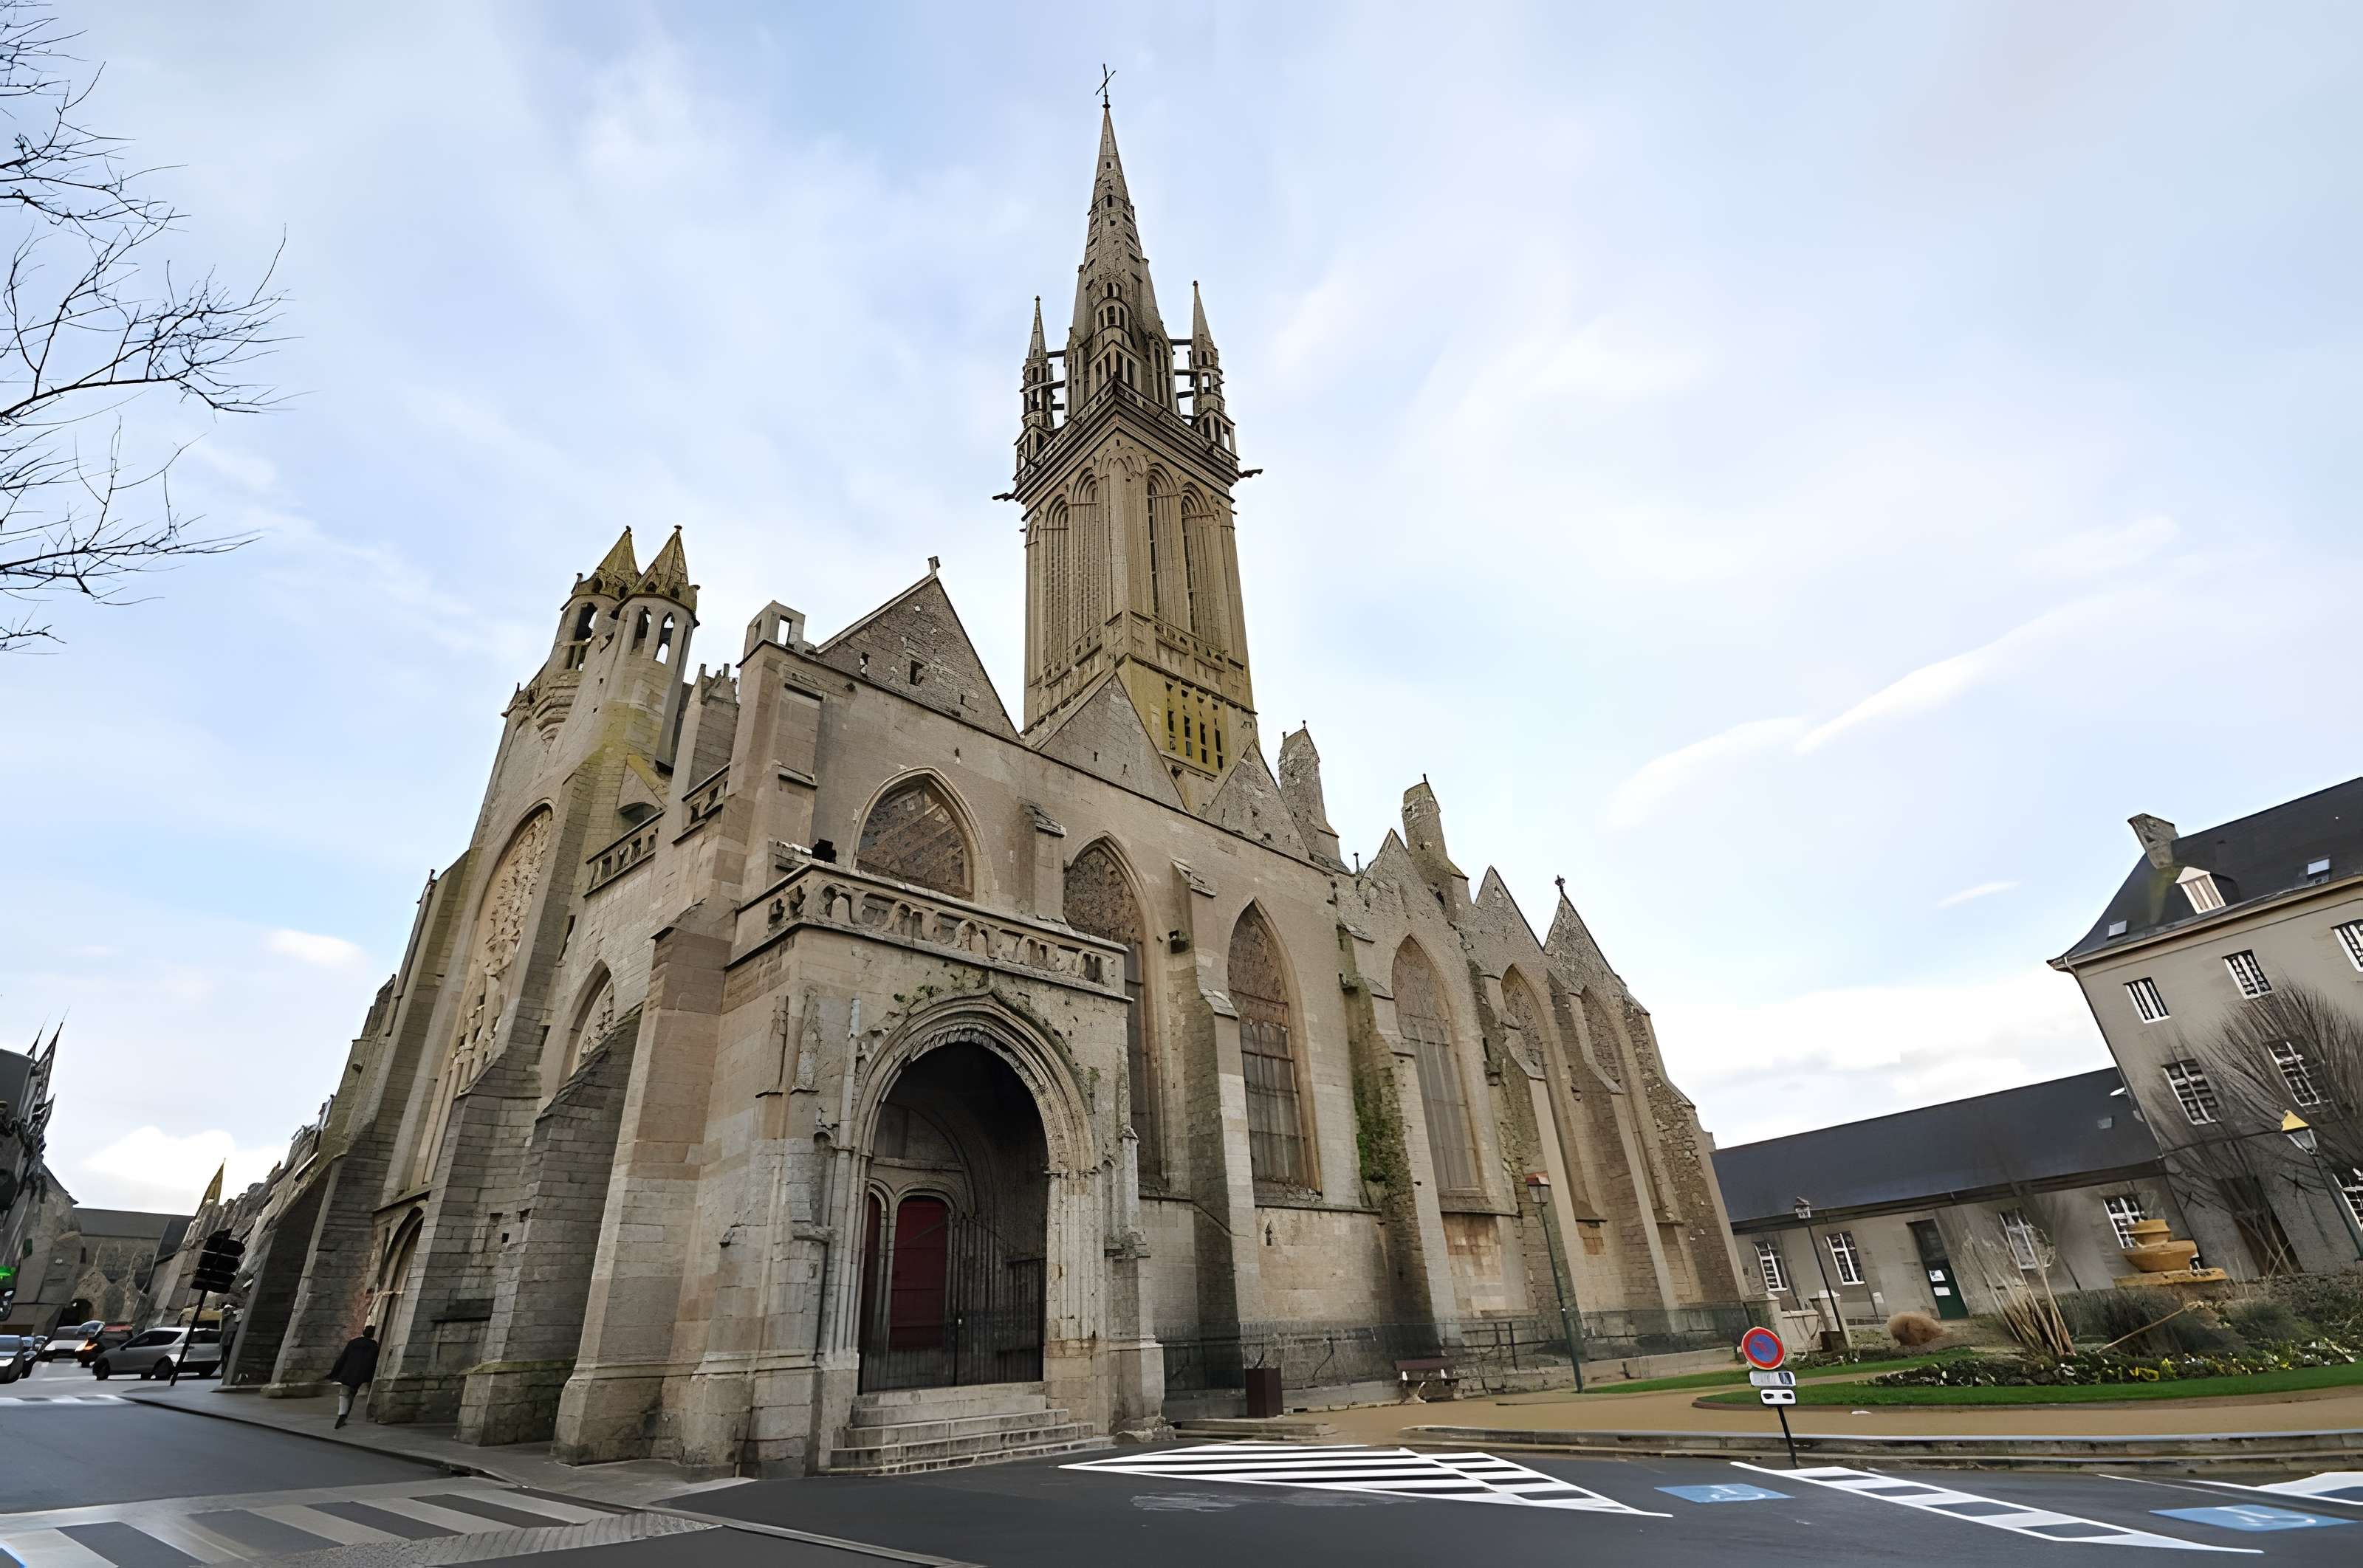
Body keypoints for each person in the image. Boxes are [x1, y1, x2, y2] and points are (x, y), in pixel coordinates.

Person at [328, 1325, 380, 1428]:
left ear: (363, 1332)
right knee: (352, 1393)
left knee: (344, 1393)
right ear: (373, 1334)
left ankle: (342, 1414)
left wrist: (334, 1372)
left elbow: (343, 1358)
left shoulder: (353, 1343)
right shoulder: (374, 1346)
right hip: (361, 1374)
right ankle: (345, 1415)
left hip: (348, 1371)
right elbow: (373, 1363)